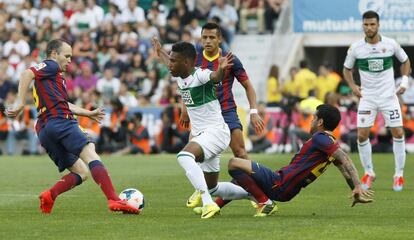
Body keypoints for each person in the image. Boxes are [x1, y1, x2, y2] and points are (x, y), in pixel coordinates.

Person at [6, 39, 139, 214]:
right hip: (60, 121)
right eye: (67, 56)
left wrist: (88, 113)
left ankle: (49, 195)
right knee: (91, 152)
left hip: (45, 129)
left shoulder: (54, 77)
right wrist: (21, 103)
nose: (70, 60)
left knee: (81, 172)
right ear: (54, 54)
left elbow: (63, 104)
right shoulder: (51, 65)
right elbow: (25, 75)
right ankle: (114, 200)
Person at [152, 22, 264, 209]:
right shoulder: (193, 59)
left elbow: (247, 86)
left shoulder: (230, 59)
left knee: (240, 153)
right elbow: (182, 76)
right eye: (204, 37)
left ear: (220, 39)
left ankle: (256, 192)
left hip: (225, 110)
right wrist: (185, 108)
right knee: (195, 155)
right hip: (201, 115)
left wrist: (253, 112)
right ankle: (204, 190)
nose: (208, 41)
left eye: (212, 37)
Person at [226, 104, 374, 217]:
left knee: (234, 164)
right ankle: (213, 206)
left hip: (279, 182)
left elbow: (345, 159)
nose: (311, 121)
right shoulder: (330, 144)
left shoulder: (320, 138)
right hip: (288, 189)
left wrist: (358, 185)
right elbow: (344, 168)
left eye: (314, 118)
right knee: (240, 179)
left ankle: (265, 203)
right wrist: (354, 188)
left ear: (320, 122)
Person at [168, 41, 251, 219]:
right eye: (170, 60)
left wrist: (221, 69)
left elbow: (215, 77)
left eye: (173, 61)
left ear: (186, 63)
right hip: (205, 135)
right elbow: (167, 61)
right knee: (213, 187)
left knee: (184, 156)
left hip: (215, 132)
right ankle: (257, 195)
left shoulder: (200, 75)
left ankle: (207, 203)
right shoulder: (180, 75)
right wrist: (159, 51)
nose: (169, 64)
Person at [343, 10, 412, 191]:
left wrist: (404, 81)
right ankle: (369, 172)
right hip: (368, 98)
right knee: (361, 135)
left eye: (372, 24)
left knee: (398, 132)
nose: (369, 28)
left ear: (378, 25)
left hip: (389, 97)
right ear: (362, 25)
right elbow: (346, 69)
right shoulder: (356, 48)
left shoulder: (390, 44)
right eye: (366, 24)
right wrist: (353, 86)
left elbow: (405, 62)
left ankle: (398, 175)